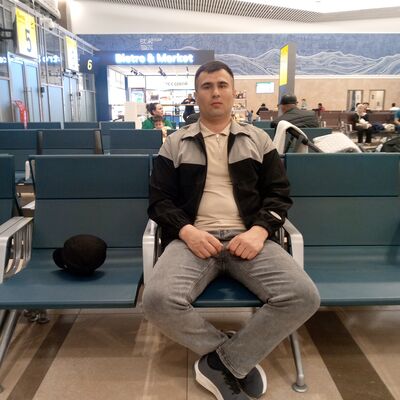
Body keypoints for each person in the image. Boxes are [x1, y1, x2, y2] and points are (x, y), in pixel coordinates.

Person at [143, 61, 320, 400]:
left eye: (222, 85)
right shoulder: (175, 143)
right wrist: (187, 232)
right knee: (156, 300)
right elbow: (159, 202)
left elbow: (278, 195)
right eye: (207, 86)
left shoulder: (258, 140)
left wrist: (259, 231)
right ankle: (234, 358)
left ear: (233, 92)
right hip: (194, 240)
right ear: (196, 95)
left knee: (303, 295)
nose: (215, 92)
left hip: (248, 238)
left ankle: (221, 362)